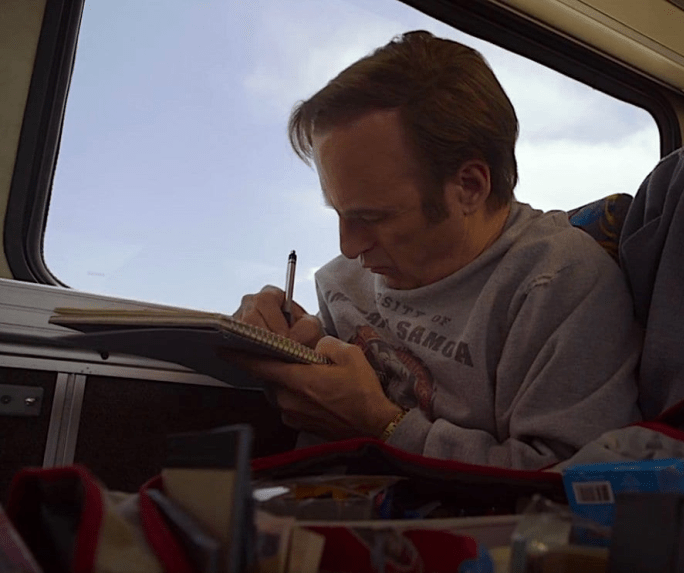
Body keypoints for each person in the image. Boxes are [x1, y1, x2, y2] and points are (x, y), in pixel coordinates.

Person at [230, 30, 642, 470]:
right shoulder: (342, 284)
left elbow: (568, 482)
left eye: (372, 217)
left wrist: (382, 425)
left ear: (469, 187)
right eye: (340, 213)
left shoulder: (557, 285)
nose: (347, 249)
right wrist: (269, 341)